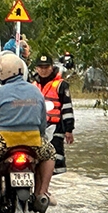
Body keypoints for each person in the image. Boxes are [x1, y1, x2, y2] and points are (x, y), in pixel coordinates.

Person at [0, 51, 55, 211]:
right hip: (34, 142)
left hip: (5, 143)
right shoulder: (36, 91)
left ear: (2, 73)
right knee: (50, 155)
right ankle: (43, 192)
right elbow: (43, 123)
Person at [32, 54, 75, 188]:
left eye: (46, 67)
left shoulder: (61, 85)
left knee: (55, 160)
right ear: (36, 68)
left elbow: (67, 108)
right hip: (33, 128)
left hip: (55, 128)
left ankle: (44, 188)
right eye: (40, 67)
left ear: (52, 68)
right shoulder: (31, 85)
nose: (43, 70)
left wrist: (69, 130)